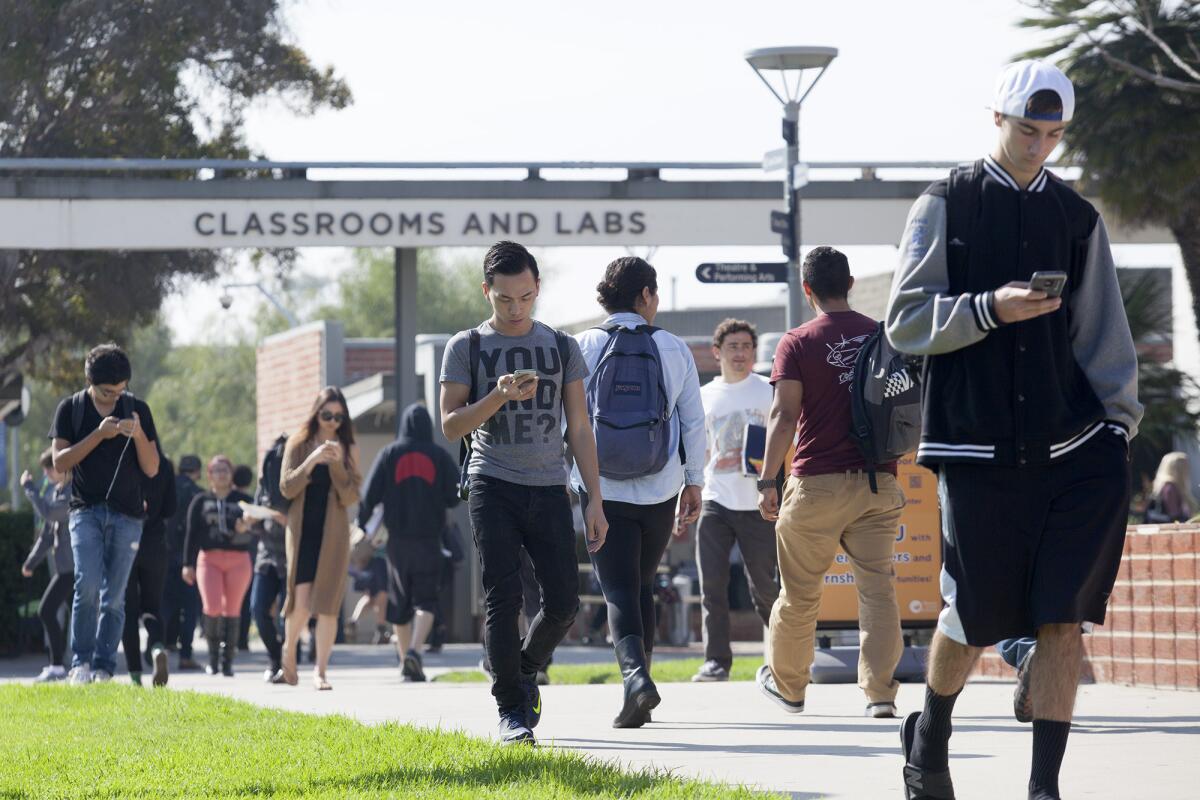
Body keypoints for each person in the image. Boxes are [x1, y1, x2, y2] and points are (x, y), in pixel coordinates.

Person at [886, 61, 1143, 800]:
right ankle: (929, 737)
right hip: (974, 447)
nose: (1040, 147)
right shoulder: (945, 203)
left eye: (1055, 134)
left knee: (1063, 617)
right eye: (1028, 130)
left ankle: (1043, 789)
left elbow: (1103, 333)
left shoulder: (1077, 217)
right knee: (971, 615)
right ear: (995, 119)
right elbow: (905, 323)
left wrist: (1118, 427)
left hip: (1076, 450)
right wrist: (989, 308)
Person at [440, 240, 608, 745]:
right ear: (487, 291)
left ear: (538, 289)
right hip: (492, 483)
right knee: (503, 597)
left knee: (563, 603)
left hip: (550, 486)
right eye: (505, 299)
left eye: (526, 297)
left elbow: (579, 427)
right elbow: (450, 425)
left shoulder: (561, 346)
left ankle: (523, 668)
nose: (516, 309)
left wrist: (594, 497)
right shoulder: (466, 346)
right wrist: (498, 394)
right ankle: (511, 710)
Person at [754, 246, 905, 720]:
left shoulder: (797, 342)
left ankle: (791, 689)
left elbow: (784, 415)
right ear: (851, 283)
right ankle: (880, 694)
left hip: (817, 482)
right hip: (879, 483)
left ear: (807, 289)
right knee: (877, 591)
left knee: (800, 594)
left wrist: (767, 480)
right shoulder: (882, 336)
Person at [572, 256, 706, 728]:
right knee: (643, 585)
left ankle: (634, 679)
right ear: (646, 295)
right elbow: (692, 419)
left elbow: (570, 424)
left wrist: (579, 487)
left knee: (617, 589)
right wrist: (694, 480)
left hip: (601, 489)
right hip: (661, 487)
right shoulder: (672, 347)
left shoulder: (584, 344)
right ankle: (641, 685)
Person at [50, 343, 161, 685]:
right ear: (89, 381)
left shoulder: (136, 408)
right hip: (85, 511)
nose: (115, 397)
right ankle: (80, 663)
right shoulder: (72, 408)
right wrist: (99, 435)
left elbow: (153, 468)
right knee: (88, 584)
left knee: (114, 595)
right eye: (107, 392)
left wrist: (139, 433)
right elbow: (59, 462)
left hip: (128, 515)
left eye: (121, 390)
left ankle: (104, 667)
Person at [692, 318, 779, 683]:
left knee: (764, 588)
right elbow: (698, 448)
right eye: (733, 347)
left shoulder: (768, 390)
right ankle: (716, 662)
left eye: (746, 346)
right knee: (711, 585)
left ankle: (783, 660)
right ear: (717, 353)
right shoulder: (704, 395)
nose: (740, 353)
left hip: (758, 503)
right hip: (715, 500)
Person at [358, 403, 460, 683]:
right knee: (426, 599)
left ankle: (406, 661)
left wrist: (361, 522)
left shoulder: (389, 454)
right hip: (429, 539)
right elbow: (454, 495)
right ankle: (415, 652)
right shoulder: (438, 455)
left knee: (399, 601)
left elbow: (369, 494)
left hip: (397, 543)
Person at [275, 386, 363, 690]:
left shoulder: (348, 447)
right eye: (327, 415)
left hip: (334, 536)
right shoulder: (298, 443)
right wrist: (312, 459)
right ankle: (289, 654)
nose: (332, 422)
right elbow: (286, 487)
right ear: (316, 413)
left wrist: (337, 463)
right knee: (300, 604)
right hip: (301, 533)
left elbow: (351, 495)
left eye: (339, 417)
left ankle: (321, 672)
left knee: (327, 605)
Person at [182, 455, 255, 677]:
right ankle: (213, 659)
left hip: (238, 560)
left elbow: (255, 530)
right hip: (209, 559)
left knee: (232, 610)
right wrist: (187, 564)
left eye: (226, 469)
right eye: (217, 470)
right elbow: (191, 534)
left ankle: (228, 662)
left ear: (232, 474)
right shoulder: (200, 501)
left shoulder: (243, 500)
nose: (222, 473)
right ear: (209, 475)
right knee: (212, 608)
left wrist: (246, 526)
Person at [121, 447, 176, 686]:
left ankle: (135, 677)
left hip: (124, 543)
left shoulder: (121, 461)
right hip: (155, 543)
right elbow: (171, 509)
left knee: (128, 612)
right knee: (152, 607)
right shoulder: (163, 464)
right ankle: (156, 648)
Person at [20, 450, 74, 682]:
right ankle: (69, 665)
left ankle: (58, 665)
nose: (47, 473)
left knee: (47, 610)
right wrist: (31, 562)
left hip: (72, 569)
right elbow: (46, 535)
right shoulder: (58, 491)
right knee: (76, 614)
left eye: (49, 468)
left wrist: (30, 489)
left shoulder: (71, 492)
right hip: (66, 568)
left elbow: (50, 513)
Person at [162, 453, 204, 670]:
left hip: (164, 555)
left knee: (165, 604)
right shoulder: (199, 494)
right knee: (189, 608)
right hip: (189, 558)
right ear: (197, 471)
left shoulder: (166, 487)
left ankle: (159, 646)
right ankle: (186, 655)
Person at [248, 479, 289, 681]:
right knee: (257, 609)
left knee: (287, 615)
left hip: (291, 559)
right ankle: (275, 657)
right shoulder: (264, 487)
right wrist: (251, 518)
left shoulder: (295, 485)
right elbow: (254, 525)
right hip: (266, 559)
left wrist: (286, 519)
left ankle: (288, 662)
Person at [232, 464, 255, 651]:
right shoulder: (251, 502)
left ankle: (228, 639)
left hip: (229, 553)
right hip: (248, 554)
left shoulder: (229, 500)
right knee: (245, 600)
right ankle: (243, 639)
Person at [1145, 452, 1195, 523]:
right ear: (1178, 468)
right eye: (1185, 465)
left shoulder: (1163, 485)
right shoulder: (1170, 488)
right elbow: (1175, 515)